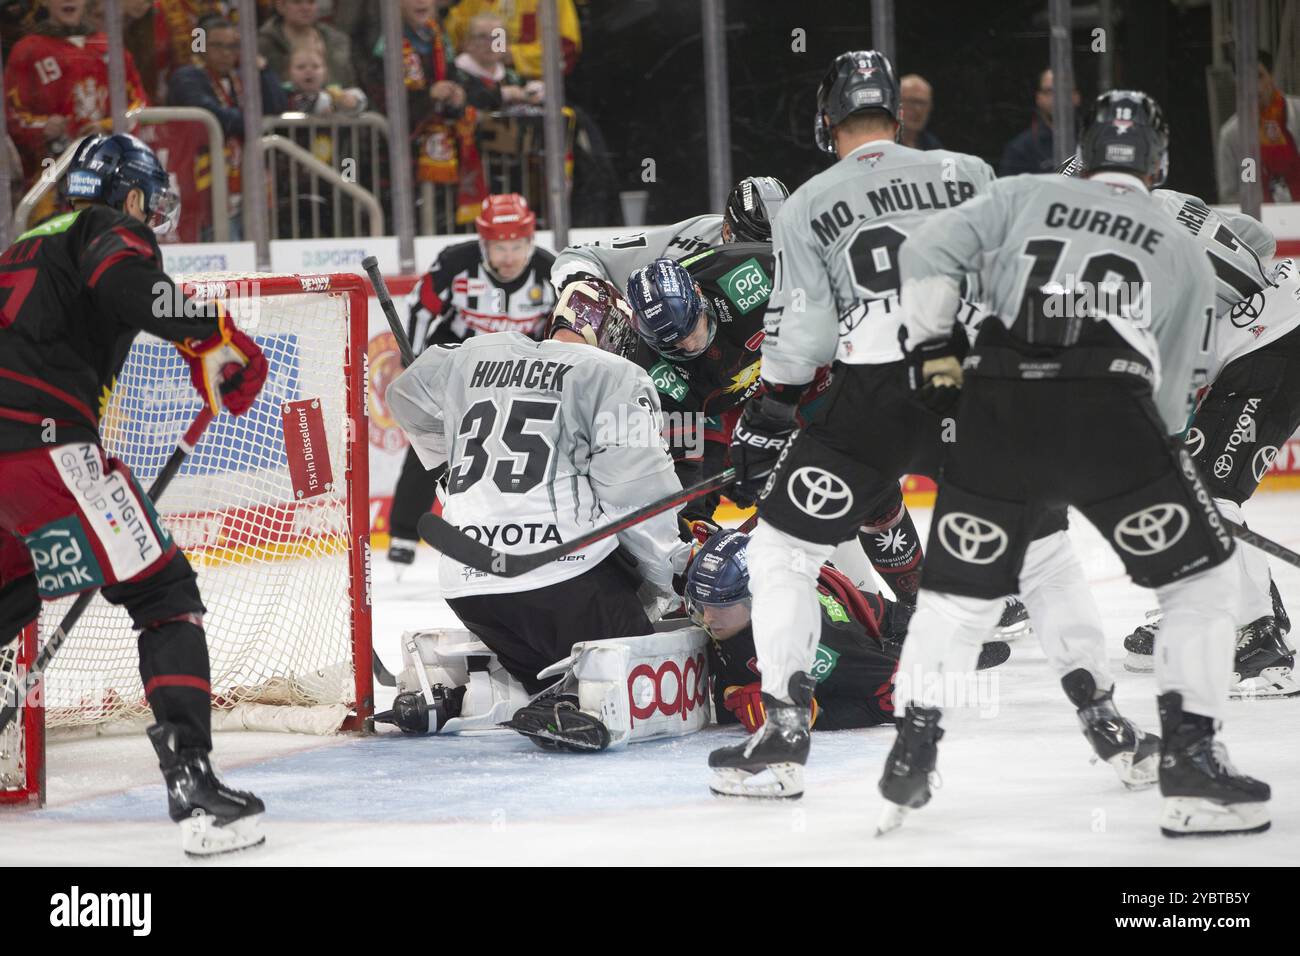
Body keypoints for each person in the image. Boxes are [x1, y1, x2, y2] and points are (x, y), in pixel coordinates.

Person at [877, 91, 1269, 838]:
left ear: (1084, 149)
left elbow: (924, 251)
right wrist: (1146, 471)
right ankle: (1190, 761)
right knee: (1203, 583)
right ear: (1157, 161)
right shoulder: (1180, 241)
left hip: (994, 408)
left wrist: (931, 350)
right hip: (1108, 413)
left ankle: (912, 748)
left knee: (956, 596)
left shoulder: (1022, 192)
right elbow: (1172, 399)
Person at [707, 50, 1003, 799]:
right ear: (896, 113)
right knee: (1050, 551)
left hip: (869, 400)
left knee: (779, 554)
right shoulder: (967, 173)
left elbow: (801, 338)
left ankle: (781, 736)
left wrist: (769, 420)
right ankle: (1132, 732)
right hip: (966, 385)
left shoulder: (809, 201)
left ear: (826, 118)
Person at [0, 133, 269, 856]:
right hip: (44, 445)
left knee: (12, 592)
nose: (151, 216)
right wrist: (211, 333)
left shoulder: (26, 242)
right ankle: (197, 788)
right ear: (129, 194)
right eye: (148, 202)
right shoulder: (105, 227)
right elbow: (127, 286)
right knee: (162, 592)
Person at [386, 278, 692, 751]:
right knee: (644, 664)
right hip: (562, 579)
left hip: (469, 587)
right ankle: (577, 704)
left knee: (541, 668)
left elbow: (404, 393)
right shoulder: (613, 374)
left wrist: (449, 475)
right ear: (617, 332)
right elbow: (636, 497)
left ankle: (455, 696)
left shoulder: (474, 354)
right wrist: (672, 574)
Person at [1119, 184, 1296, 696]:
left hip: (1273, 342)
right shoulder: (1159, 205)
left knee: (1208, 494)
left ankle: (1260, 642)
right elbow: (1254, 240)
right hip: (1265, 342)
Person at [686, 530, 1008, 742]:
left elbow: (889, 698)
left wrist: (812, 715)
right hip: (828, 590)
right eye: (701, 605)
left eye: (722, 606)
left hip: (846, 620)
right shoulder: (731, 613)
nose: (708, 617)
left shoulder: (819, 649)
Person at [386, 193, 557, 567]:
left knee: (519, 446)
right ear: (484, 245)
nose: (508, 256)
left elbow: (564, 329)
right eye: (499, 247)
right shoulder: (456, 262)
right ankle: (402, 531)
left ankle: (516, 523)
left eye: (517, 246)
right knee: (429, 442)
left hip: (516, 369)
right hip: (455, 364)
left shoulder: (551, 273)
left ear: (530, 242)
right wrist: (411, 363)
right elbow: (418, 307)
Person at [4, 0, 148, 205]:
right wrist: (44, 126)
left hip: (108, 169)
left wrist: (108, 126)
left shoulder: (109, 46)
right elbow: (12, 114)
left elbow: (140, 106)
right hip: (49, 175)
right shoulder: (27, 50)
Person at [550, 175, 788, 295]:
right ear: (726, 230)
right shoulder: (695, 234)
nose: (762, 262)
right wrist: (593, 294)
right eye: (752, 246)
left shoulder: (806, 263)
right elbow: (579, 255)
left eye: (773, 249)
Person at [167, 15, 289, 240]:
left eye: (233, 46)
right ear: (201, 45)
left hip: (246, 185)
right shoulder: (187, 76)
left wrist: (261, 66)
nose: (226, 53)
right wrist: (255, 123)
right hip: (205, 186)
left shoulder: (242, 78)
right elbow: (216, 118)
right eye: (218, 46)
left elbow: (277, 107)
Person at [1217, 50, 1300, 203]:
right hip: (1259, 222)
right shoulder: (1231, 134)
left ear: (1272, 76)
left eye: (1259, 76)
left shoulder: (1297, 113)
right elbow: (1229, 196)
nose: (1254, 86)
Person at [453, 12, 544, 112]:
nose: (491, 44)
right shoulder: (455, 74)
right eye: (482, 37)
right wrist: (504, 94)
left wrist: (533, 93)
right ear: (468, 42)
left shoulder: (512, 77)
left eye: (497, 37)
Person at [258, 0, 357, 90]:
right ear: (280, 6)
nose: (306, 8)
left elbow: (350, 84)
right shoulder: (264, 45)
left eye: (311, 2)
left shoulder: (336, 41)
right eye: (297, 2)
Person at [999, 68, 1079, 176]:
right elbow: (1009, 191)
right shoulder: (1020, 149)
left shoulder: (1092, 143)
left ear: (1076, 97)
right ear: (1039, 98)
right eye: (1050, 92)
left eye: (1064, 90)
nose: (1057, 98)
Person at [282, 40, 367, 115]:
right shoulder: (282, 94)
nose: (308, 71)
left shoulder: (330, 95)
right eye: (301, 67)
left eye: (315, 67)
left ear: (325, 72)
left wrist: (353, 101)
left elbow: (357, 97)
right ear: (289, 73)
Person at [899, 74, 941, 150]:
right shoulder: (880, 143)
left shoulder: (932, 146)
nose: (918, 109)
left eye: (923, 104)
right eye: (911, 102)